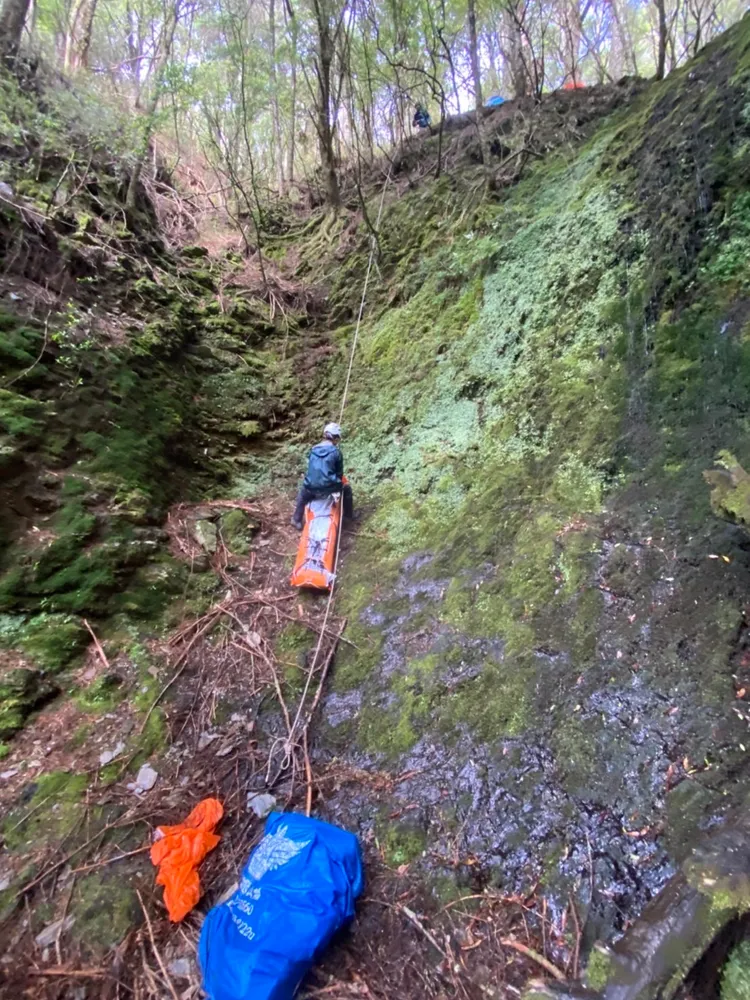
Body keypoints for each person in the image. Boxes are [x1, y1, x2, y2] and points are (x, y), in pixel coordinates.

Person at [291, 422, 354, 530]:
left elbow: (311, 469)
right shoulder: (336, 453)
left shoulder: (313, 450)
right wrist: (336, 485)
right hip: (330, 488)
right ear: (335, 438)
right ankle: (348, 517)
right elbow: (339, 475)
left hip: (311, 487)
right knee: (347, 489)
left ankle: (296, 519)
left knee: (302, 495)